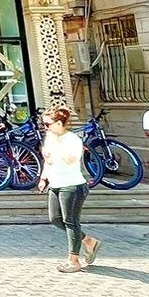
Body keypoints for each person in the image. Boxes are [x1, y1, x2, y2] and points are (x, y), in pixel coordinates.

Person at [38, 107, 100, 272]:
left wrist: (56, 148)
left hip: (72, 185)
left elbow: (71, 160)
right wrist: (43, 178)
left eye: (47, 124)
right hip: (55, 184)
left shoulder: (72, 139)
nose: (45, 128)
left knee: (71, 222)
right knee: (55, 219)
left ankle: (74, 261)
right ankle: (88, 241)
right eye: (43, 124)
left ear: (59, 123)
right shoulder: (50, 138)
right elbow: (48, 161)